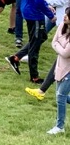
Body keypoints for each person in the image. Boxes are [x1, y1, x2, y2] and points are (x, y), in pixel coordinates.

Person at [7, 0, 57, 83]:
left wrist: (47, 6)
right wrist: (50, 14)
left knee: (41, 37)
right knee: (35, 44)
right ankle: (34, 76)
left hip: (27, 9)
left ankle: (16, 57)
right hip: (34, 14)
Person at [27, 0, 70, 101]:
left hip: (59, 15)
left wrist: (57, 45)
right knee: (58, 61)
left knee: (61, 58)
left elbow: (62, 0)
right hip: (57, 16)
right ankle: (42, 90)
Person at [46, 7, 70, 135]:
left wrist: (58, 47)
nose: (65, 16)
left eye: (67, 15)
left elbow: (66, 53)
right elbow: (53, 42)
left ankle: (60, 126)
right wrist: (60, 47)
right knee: (61, 96)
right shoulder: (61, 25)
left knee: (60, 96)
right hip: (60, 67)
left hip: (69, 70)